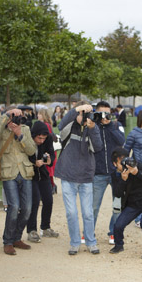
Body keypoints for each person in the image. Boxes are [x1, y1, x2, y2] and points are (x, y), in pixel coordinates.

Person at [54, 101, 103, 255]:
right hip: (68, 175)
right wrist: (76, 110)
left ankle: (90, 242)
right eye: (84, 113)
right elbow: (61, 126)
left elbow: (98, 147)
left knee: (88, 213)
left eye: (88, 112)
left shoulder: (92, 128)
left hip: (86, 176)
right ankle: (75, 242)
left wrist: (93, 128)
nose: (86, 116)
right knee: (71, 213)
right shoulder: (69, 126)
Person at [0, 107, 37, 255]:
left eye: (19, 116)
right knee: (14, 206)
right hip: (9, 172)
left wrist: (20, 134)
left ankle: (17, 237)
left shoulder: (25, 129)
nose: (17, 119)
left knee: (27, 208)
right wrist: (6, 117)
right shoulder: (2, 130)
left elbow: (31, 151)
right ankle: (8, 241)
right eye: (14, 116)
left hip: (25, 172)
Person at [109, 147, 142, 259]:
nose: (125, 165)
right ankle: (119, 245)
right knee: (118, 225)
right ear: (115, 164)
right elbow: (117, 194)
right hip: (133, 204)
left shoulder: (137, 165)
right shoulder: (116, 174)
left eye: (125, 160)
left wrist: (137, 173)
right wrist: (123, 180)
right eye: (121, 162)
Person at [92, 101, 126, 245]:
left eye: (108, 113)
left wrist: (110, 125)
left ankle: (114, 232)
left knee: (117, 206)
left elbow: (121, 141)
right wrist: (96, 125)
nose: (105, 116)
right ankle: (88, 232)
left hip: (115, 173)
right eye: (102, 113)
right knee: (93, 206)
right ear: (97, 113)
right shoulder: (93, 127)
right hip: (98, 173)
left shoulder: (116, 125)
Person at [26, 121, 58, 242]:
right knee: (34, 202)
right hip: (31, 174)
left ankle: (45, 227)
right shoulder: (28, 140)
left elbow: (51, 153)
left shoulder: (48, 139)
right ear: (34, 135)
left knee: (48, 200)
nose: (41, 141)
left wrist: (49, 160)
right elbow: (25, 156)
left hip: (43, 173)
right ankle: (31, 230)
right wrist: (34, 162)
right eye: (39, 138)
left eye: (44, 138)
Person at [37, 108, 58, 193]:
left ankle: (52, 186)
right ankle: (52, 186)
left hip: (48, 150)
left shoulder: (46, 125)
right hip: (49, 150)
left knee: (47, 170)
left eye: (39, 114)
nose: (37, 115)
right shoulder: (47, 124)